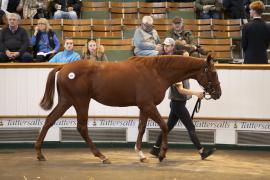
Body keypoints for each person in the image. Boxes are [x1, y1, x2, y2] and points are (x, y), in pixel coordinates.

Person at [150, 40, 216, 160]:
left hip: (178, 103)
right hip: (177, 104)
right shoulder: (175, 73)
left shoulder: (183, 73)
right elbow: (181, 90)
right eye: (185, 58)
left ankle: (155, 149)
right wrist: (196, 93)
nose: (188, 60)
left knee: (167, 127)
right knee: (191, 128)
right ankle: (202, 151)